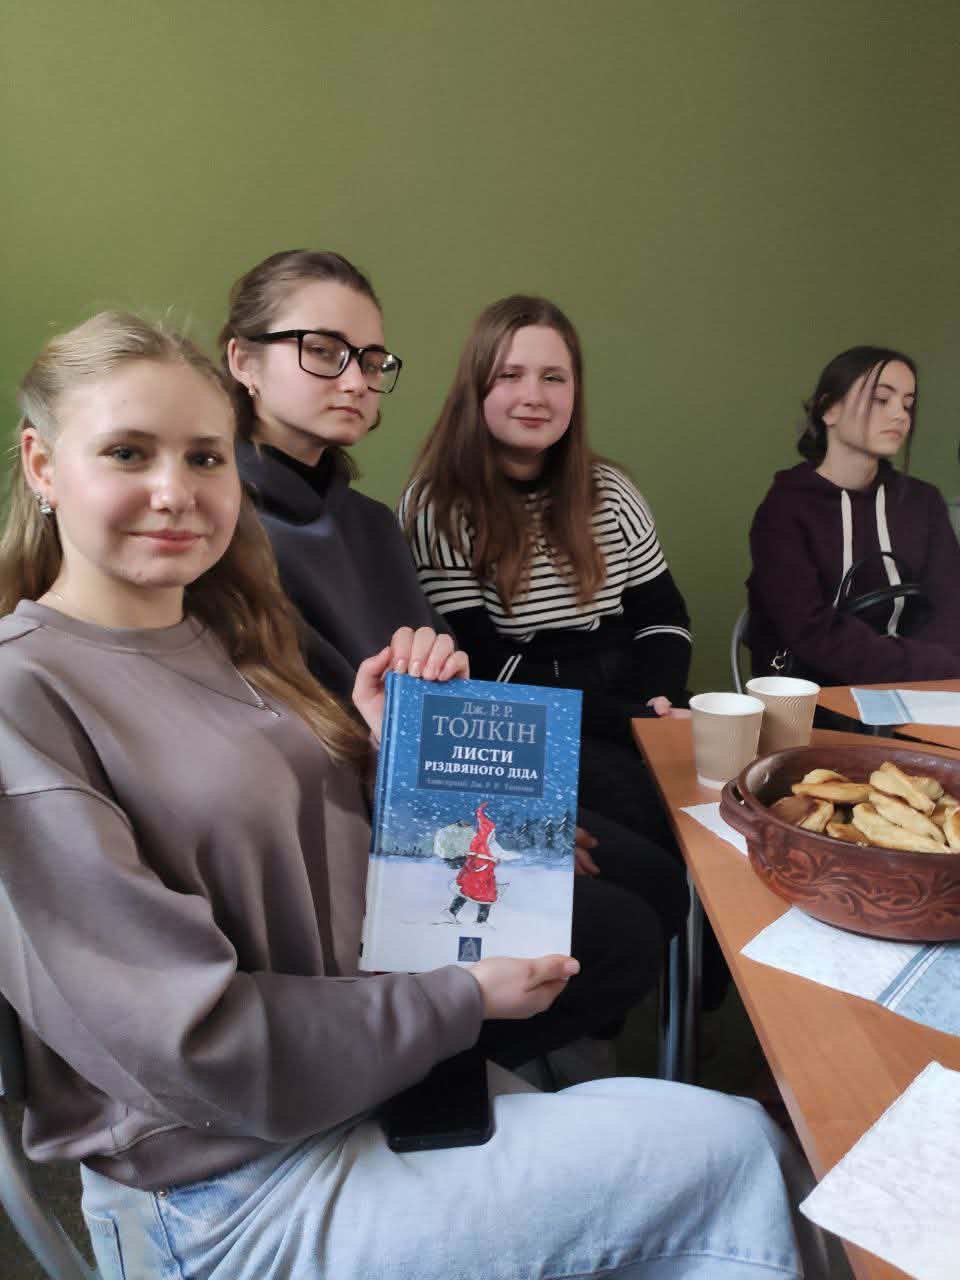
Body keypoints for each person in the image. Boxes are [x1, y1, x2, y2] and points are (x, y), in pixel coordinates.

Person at [0, 312, 828, 1280]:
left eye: (205, 457)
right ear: (43, 466)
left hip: (366, 1084)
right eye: (128, 453)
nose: (175, 491)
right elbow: (194, 1045)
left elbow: (309, 863)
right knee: (740, 1156)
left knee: (751, 1148)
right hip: (227, 1182)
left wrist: (391, 755)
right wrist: (459, 997)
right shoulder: (27, 696)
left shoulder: (224, 640)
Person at [220, 251, 688, 1065]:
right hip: (351, 842)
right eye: (323, 351)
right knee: (625, 929)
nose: (356, 379)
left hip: (441, 801)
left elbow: (445, 701)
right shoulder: (222, 525)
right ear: (243, 361)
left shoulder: (366, 521)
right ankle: (421, 1070)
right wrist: (500, 839)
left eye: (371, 359)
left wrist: (515, 820)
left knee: (654, 874)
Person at [399, 294, 693, 843]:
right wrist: (631, 722)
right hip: (524, 726)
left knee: (728, 800)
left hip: (633, 700)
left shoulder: (612, 490)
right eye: (510, 375)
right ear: (475, 388)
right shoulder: (437, 506)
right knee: (658, 828)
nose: (534, 396)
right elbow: (485, 668)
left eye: (554, 378)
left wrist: (661, 698)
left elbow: (663, 617)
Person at [748, 345, 960, 684]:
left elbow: (949, 607)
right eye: (881, 399)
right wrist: (926, 668)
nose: (900, 415)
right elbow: (809, 631)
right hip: (812, 696)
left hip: (921, 689)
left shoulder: (924, 502)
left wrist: (933, 674)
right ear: (829, 409)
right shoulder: (785, 508)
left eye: (907, 404)